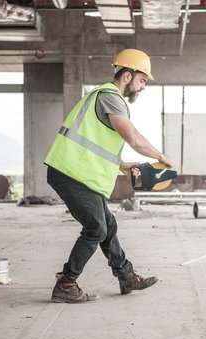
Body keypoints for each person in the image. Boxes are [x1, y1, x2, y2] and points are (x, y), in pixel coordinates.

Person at [44, 49, 175, 303]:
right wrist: (162, 156)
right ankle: (66, 283)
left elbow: (96, 143)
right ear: (127, 75)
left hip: (78, 173)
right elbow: (133, 138)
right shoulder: (110, 97)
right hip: (72, 173)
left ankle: (126, 276)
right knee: (95, 228)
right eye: (142, 80)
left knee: (108, 225)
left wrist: (123, 165)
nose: (143, 87)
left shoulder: (105, 97)